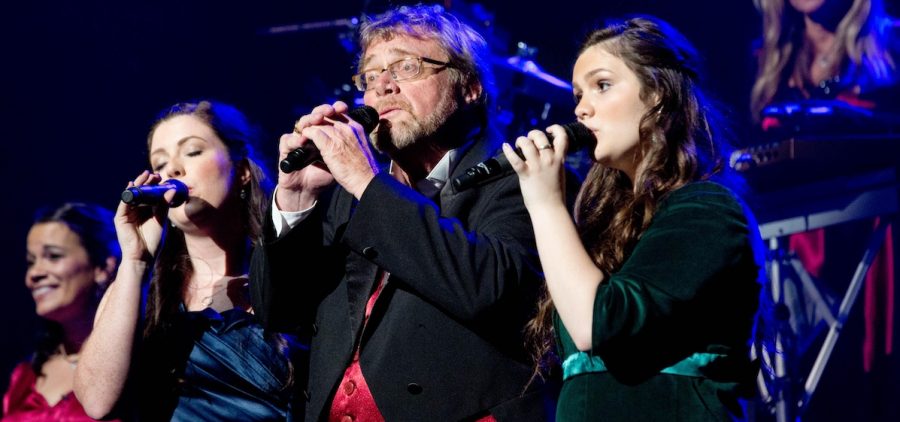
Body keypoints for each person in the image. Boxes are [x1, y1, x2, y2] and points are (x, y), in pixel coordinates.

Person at [250, 5, 567, 421]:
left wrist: (367, 182)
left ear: (469, 86)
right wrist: (295, 198)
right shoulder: (348, 193)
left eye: (406, 67)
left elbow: (489, 291)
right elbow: (280, 313)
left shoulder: (523, 174)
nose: (382, 87)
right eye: (370, 76)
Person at [503, 16, 765, 421]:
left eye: (602, 85)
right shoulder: (604, 229)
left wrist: (546, 205)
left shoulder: (708, 210)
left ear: (658, 93)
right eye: (577, 94)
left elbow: (599, 323)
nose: (580, 108)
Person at [74, 101, 304, 420]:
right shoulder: (140, 287)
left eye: (192, 152)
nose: (173, 170)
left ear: (242, 171)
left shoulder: (290, 271)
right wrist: (135, 260)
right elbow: (97, 402)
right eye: (160, 162)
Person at [3, 202, 120, 421]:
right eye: (31, 262)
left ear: (104, 267)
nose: (33, 274)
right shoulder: (25, 376)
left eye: (54, 256)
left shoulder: (138, 366)